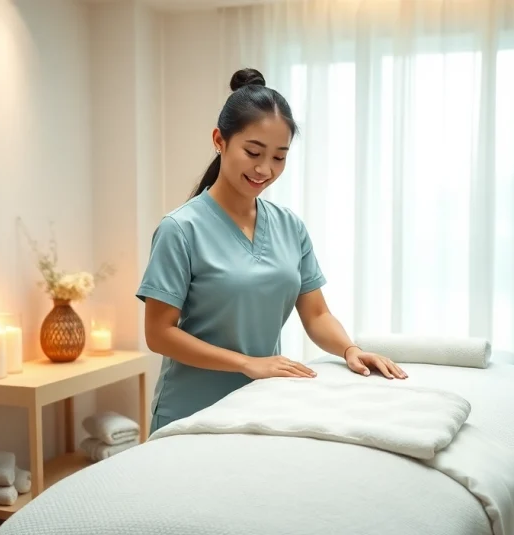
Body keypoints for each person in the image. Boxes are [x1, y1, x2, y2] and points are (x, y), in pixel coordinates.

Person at [136, 67, 407, 434]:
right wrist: (247, 363)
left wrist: (349, 349)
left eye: (279, 157)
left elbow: (316, 314)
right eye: (253, 152)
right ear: (220, 140)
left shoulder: (289, 226)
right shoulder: (181, 229)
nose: (265, 168)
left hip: (259, 406)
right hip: (190, 412)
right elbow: (159, 334)